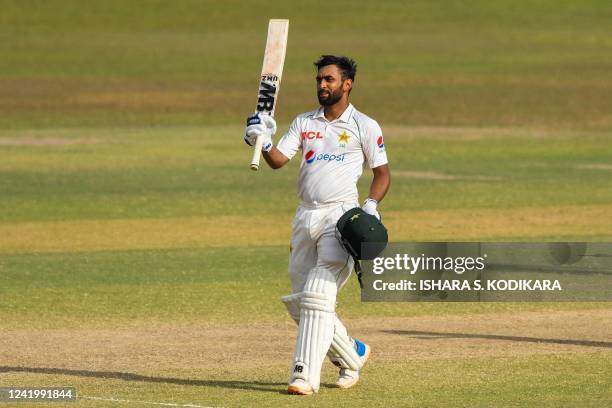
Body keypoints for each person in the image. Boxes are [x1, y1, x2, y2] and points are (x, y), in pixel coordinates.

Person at [244, 55, 390, 395]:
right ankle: (352, 354)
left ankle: (302, 376)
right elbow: (278, 161)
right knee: (301, 298)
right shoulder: (303, 122)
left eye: (329, 80)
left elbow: (382, 173)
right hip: (305, 215)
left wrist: (370, 206)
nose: (322, 85)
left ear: (347, 84)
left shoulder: (364, 126)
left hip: (340, 218)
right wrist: (262, 139)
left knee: (317, 296)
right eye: (319, 80)